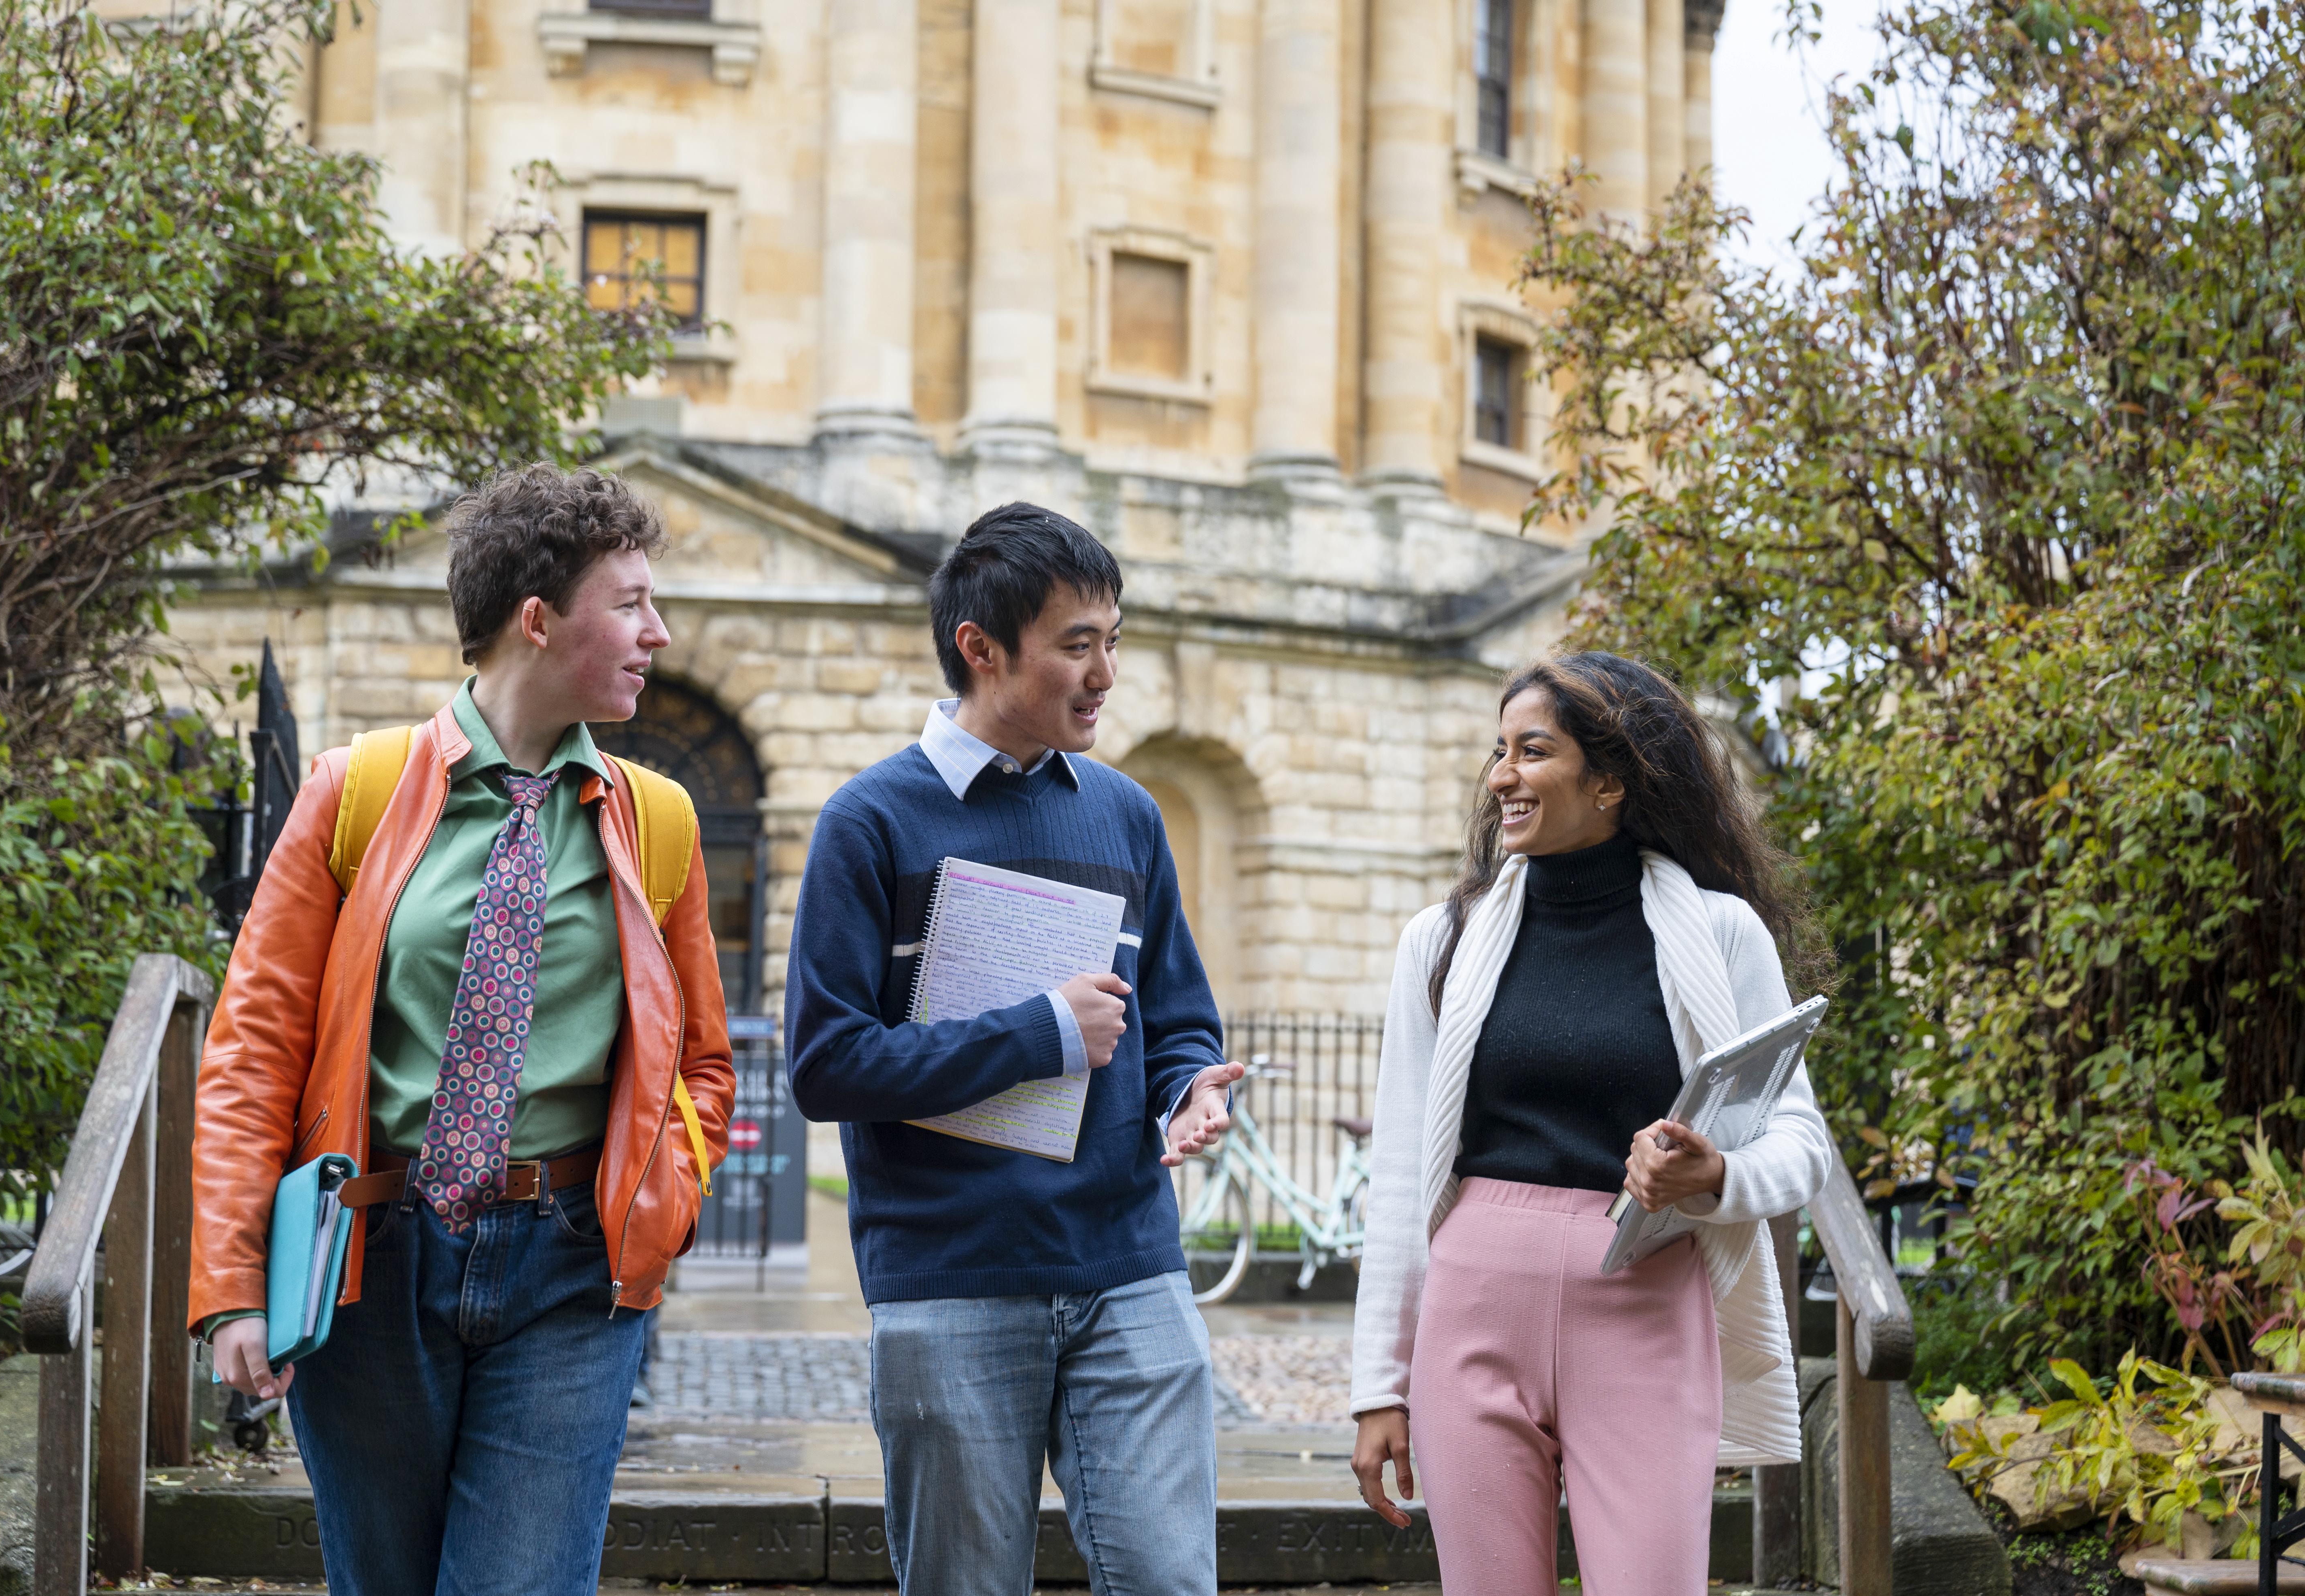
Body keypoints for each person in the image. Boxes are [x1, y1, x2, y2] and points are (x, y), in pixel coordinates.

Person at [187, 465, 736, 1595]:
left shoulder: (659, 821)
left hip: (572, 1272)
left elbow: (701, 1062)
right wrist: (232, 1287)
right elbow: (254, 1052)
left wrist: (665, 1193)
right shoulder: (357, 791)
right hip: (373, 1260)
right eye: (629, 603)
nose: (659, 633)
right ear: (537, 621)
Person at [784, 501, 1246, 1596]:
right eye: (1075, 645)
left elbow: (1176, 1012)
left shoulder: (1128, 816)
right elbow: (825, 1064)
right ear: (979, 649)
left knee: (1170, 1583)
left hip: (1129, 1270)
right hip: (949, 1279)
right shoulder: (870, 822)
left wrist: (1188, 1088)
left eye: (1113, 641)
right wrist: (1037, 1033)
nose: (1104, 673)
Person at [1347, 651, 1831, 1596]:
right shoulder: (1439, 940)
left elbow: (1800, 1142)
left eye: (1532, 751)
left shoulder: (1720, 933)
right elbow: (1402, 1171)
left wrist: (1715, 1177)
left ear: (1608, 780)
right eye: (1499, 752)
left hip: (1643, 1301)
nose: (1501, 777)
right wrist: (1379, 1385)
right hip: (1472, 1309)